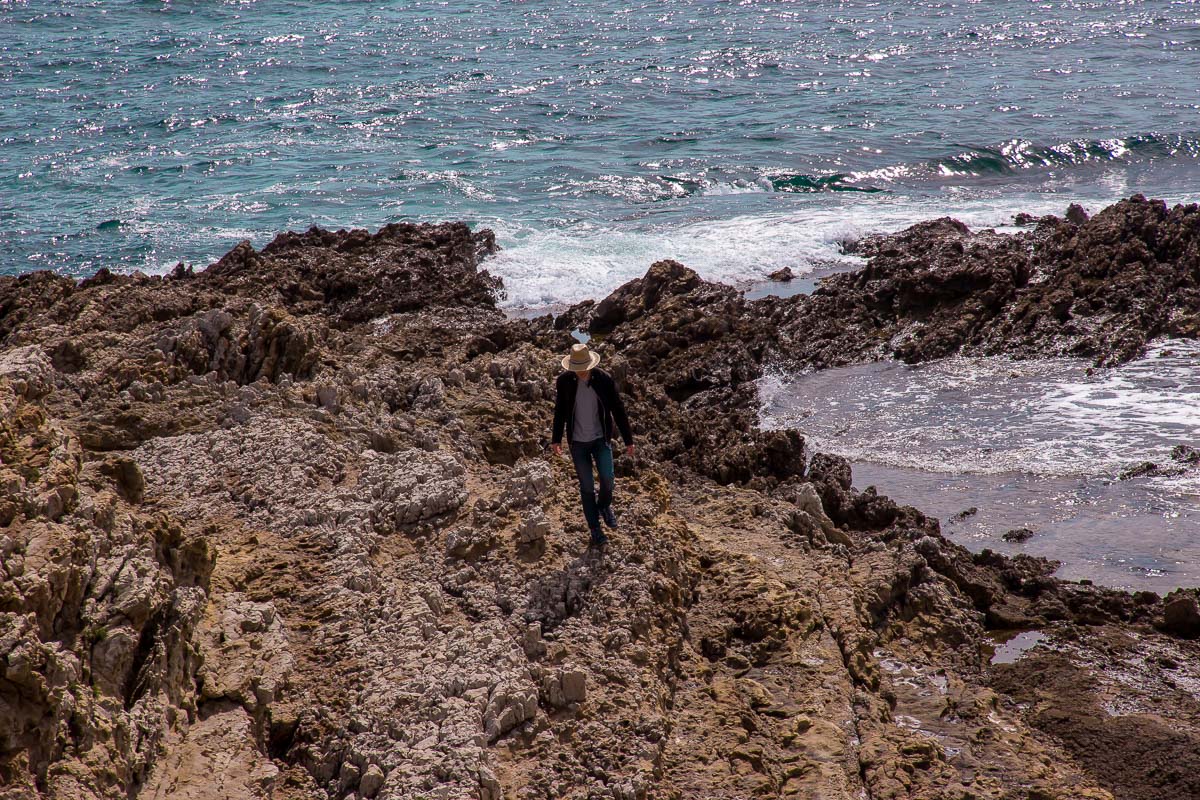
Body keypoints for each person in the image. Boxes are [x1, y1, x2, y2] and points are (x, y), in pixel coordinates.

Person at [551, 343, 634, 549]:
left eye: (584, 366)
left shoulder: (604, 380)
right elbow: (560, 410)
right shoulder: (564, 382)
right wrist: (556, 439)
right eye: (577, 367)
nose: (581, 371)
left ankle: (604, 506)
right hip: (577, 443)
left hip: (600, 440)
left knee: (608, 479)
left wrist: (628, 439)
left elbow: (618, 408)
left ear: (591, 364)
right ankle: (595, 529)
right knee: (587, 487)